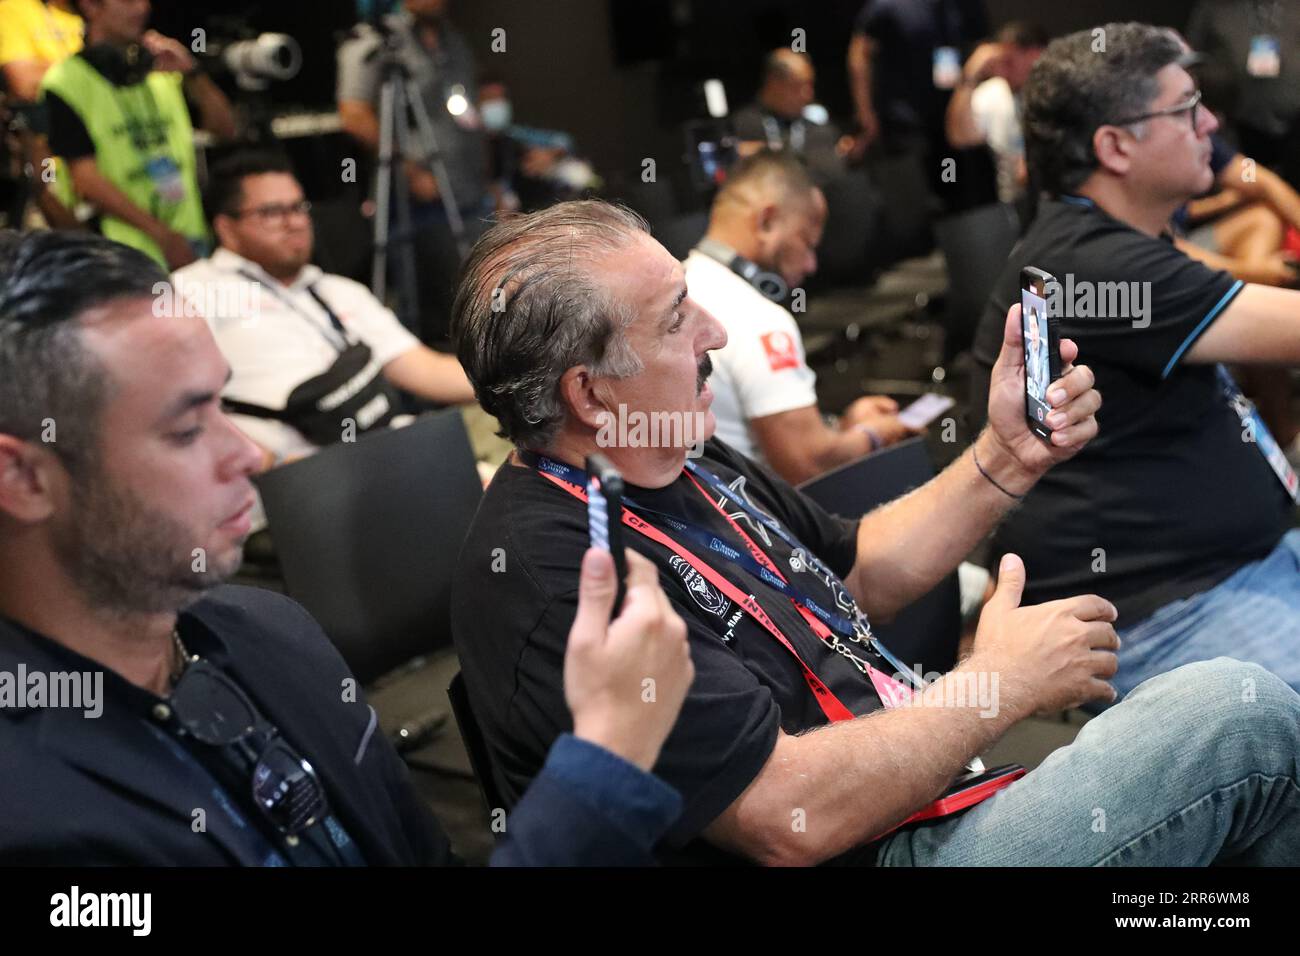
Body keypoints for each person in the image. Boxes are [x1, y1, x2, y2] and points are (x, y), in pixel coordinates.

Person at [450, 198, 1300, 866]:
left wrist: (1005, 458)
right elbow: (792, 820)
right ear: (590, 396)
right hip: (879, 846)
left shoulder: (675, 448)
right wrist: (992, 685)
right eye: (677, 319)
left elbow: (856, 572)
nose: (714, 334)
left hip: (922, 794)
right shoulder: (559, 576)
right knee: (1240, 713)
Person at [0, 228, 695, 866]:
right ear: (24, 476)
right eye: (185, 431)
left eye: (223, 406)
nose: (244, 452)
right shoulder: (33, 819)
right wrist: (606, 765)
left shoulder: (271, 633)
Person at [970, 22, 1300, 702]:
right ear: (1115, 146)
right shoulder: (1096, 264)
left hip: (1231, 571)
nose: (1209, 121)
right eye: (1185, 108)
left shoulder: (1104, 240)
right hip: (1169, 615)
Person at [173, 150, 474, 481]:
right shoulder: (190, 292)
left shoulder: (340, 291)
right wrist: (267, 465)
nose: (296, 222)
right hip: (286, 481)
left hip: (388, 457)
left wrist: (523, 378)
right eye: (272, 212)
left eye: (299, 207)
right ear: (226, 228)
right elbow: (171, 402)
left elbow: (427, 371)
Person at [684, 150, 915, 484]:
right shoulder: (757, 318)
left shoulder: (683, 284)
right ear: (766, 222)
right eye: (806, 243)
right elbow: (808, 465)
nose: (811, 265)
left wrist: (843, 429)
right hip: (760, 521)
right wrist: (875, 435)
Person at [39, 0, 235, 268]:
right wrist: (163, 237)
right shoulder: (65, 82)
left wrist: (193, 72)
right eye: (128, 0)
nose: (142, 8)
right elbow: (85, 179)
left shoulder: (162, 67)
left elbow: (225, 129)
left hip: (192, 239)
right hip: (123, 253)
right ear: (91, 7)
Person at [337, 0, 490, 346]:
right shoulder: (375, 40)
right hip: (415, 201)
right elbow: (354, 115)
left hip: (469, 187)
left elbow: (471, 112)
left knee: (481, 293)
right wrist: (409, 170)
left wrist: (491, 178)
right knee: (436, 303)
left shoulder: (455, 40)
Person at [847, 0, 995, 211]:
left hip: (950, 119)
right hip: (904, 122)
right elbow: (859, 54)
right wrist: (864, 111)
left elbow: (982, 46)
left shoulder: (963, 6)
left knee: (956, 194)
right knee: (914, 203)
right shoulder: (888, 6)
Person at [1187, 0, 1300, 189]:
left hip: (1295, 129)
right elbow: (1191, 61)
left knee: (1290, 195)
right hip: (1238, 130)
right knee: (1250, 186)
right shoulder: (1213, 9)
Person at [944, 21, 1047, 204]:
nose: (1001, 71)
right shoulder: (995, 93)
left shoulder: (1064, 87)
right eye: (997, 63)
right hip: (1018, 204)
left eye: (1008, 62)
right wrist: (969, 75)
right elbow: (959, 137)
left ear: (1035, 54)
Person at [732, 50, 853, 185]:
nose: (808, 95)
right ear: (774, 84)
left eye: (810, 85)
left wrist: (765, 154)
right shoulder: (742, 125)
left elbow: (831, 173)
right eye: (799, 86)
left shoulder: (819, 130)